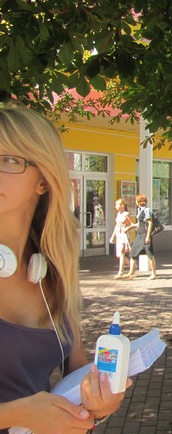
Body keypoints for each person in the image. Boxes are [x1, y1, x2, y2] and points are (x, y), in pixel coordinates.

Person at [0, 104, 130, 433]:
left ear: (44, 180)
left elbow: (77, 371)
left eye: (9, 160)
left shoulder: (51, 269)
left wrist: (99, 405)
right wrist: (16, 414)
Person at [123, 193, 158, 280]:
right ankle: (130, 273)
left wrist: (148, 236)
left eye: (136, 200)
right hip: (139, 234)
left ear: (138, 201)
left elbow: (150, 223)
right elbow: (140, 224)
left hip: (145, 234)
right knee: (133, 253)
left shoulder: (146, 210)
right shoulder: (140, 210)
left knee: (149, 253)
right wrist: (130, 227)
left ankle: (153, 274)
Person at [109, 198, 132, 279]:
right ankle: (132, 265)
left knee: (122, 254)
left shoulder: (126, 214)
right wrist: (113, 236)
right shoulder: (118, 214)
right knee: (118, 255)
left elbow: (131, 224)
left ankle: (120, 272)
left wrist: (127, 227)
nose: (115, 206)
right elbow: (116, 226)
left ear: (122, 205)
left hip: (124, 235)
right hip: (118, 235)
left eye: (117, 204)